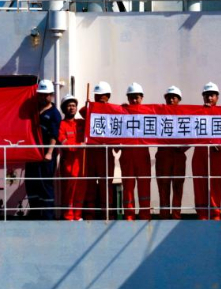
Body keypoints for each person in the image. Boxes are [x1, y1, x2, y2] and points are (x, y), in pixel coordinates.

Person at [25, 79, 60, 220]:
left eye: (46, 94)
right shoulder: (34, 111)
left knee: (45, 184)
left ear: (51, 95)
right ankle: (35, 212)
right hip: (33, 154)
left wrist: (50, 153)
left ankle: (47, 216)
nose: (43, 97)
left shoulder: (54, 113)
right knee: (31, 182)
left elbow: (54, 135)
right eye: (40, 94)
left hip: (46, 155)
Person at [192, 82, 221, 220]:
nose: (209, 98)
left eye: (212, 95)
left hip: (216, 154)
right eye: (207, 95)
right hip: (200, 154)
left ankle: (216, 215)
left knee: (216, 184)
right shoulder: (196, 114)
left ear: (217, 97)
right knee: (200, 184)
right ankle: (202, 216)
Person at [119, 82, 152, 220]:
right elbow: (85, 112)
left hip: (142, 154)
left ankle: (145, 215)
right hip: (127, 154)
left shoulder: (149, 112)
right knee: (128, 187)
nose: (133, 100)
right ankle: (129, 216)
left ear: (142, 97)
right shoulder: (121, 111)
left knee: (144, 186)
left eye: (136, 97)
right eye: (131, 97)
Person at [83, 81, 116, 220]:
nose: (99, 99)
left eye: (102, 96)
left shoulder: (114, 111)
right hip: (91, 151)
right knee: (90, 183)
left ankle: (107, 213)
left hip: (105, 152)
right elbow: (82, 112)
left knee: (105, 184)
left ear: (108, 96)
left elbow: (123, 119)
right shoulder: (90, 109)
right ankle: (89, 213)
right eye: (97, 96)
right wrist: (88, 105)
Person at [156, 86, 187, 219]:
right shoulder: (158, 113)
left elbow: (194, 134)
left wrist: (184, 147)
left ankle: (176, 215)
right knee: (163, 186)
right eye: (169, 97)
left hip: (178, 154)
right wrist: (127, 110)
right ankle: (164, 215)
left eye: (174, 97)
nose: (171, 99)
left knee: (177, 186)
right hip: (163, 154)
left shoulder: (185, 115)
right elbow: (142, 118)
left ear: (179, 100)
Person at [58, 94, 86, 221]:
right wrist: (80, 145)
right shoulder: (61, 125)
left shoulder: (81, 123)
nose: (72, 108)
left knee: (80, 191)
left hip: (82, 163)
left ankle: (78, 215)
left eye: (74, 105)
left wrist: (89, 104)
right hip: (69, 164)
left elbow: (89, 114)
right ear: (64, 109)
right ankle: (68, 216)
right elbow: (64, 144)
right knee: (69, 192)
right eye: (69, 106)